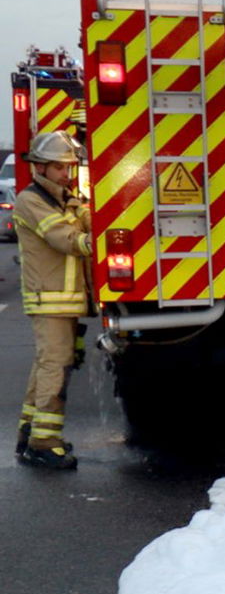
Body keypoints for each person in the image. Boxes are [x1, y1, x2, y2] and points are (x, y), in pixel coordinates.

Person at [14, 131, 93, 470]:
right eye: (59, 167)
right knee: (55, 368)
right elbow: (65, 239)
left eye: (69, 167)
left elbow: (85, 221)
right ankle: (44, 444)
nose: (66, 173)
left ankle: (29, 433)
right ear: (41, 167)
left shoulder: (63, 198)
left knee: (46, 365)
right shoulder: (30, 201)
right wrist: (105, 242)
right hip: (50, 300)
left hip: (64, 300)